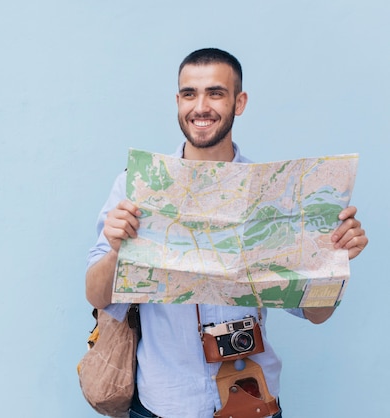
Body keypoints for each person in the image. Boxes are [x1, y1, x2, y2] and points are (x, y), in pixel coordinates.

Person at [85, 48, 368, 418]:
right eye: (190, 94)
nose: (200, 106)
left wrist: (334, 259)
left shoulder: (278, 195)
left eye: (215, 93)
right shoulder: (136, 187)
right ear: (178, 101)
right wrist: (115, 250)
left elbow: (316, 315)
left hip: (255, 400)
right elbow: (95, 294)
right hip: (165, 405)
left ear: (240, 101)